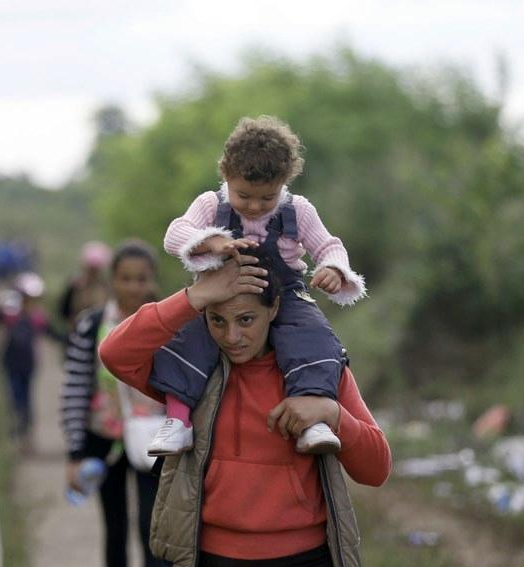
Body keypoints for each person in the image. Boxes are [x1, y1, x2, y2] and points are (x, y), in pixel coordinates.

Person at [98, 251, 391, 567]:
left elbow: (377, 467)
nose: (232, 337)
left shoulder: (317, 371)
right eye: (217, 321)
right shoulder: (193, 371)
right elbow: (116, 352)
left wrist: (332, 414)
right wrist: (194, 296)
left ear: (275, 308)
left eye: (246, 320)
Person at [146, 115, 366, 458]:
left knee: (316, 337)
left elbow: (329, 246)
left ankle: (314, 418)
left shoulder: (298, 212)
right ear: (225, 175)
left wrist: (334, 270)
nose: (253, 206)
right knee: (187, 335)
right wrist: (211, 242)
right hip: (222, 291)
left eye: (267, 198)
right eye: (244, 195)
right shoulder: (210, 205)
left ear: (284, 183)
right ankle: (177, 420)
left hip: (284, 292)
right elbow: (175, 234)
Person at [59, 240, 178, 567]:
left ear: (152, 281)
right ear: (112, 280)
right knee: (114, 527)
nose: (133, 286)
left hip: (155, 442)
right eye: (125, 278)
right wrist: (75, 453)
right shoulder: (90, 325)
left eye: (141, 279)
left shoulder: (168, 323)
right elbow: (75, 388)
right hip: (103, 440)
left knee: (153, 527)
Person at [0, 272, 62, 448]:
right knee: (15, 396)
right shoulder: (10, 314)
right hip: (10, 362)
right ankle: (18, 430)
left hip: (28, 363)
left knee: (26, 398)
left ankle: (25, 431)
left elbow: (54, 334)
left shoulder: (37, 318)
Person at [57, 240, 112, 329]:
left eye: (95, 269)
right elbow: (63, 310)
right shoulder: (75, 286)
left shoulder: (107, 287)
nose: (93, 272)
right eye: (91, 269)